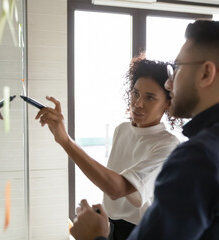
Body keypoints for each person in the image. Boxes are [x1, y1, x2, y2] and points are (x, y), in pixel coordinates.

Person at [70, 20, 219, 240]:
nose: (169, 84)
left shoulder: (197, 158)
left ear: (206, 73)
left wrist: (95, 237)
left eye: (176, 69)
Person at [35, 57, 181, 240]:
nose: (138, 103)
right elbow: (113, 187)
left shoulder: (168, 146)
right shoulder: (122, 130)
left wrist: (65, 141)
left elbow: (117, 188)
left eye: (150, 97)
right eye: (135, 93)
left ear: (168, 103)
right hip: (110, 226)